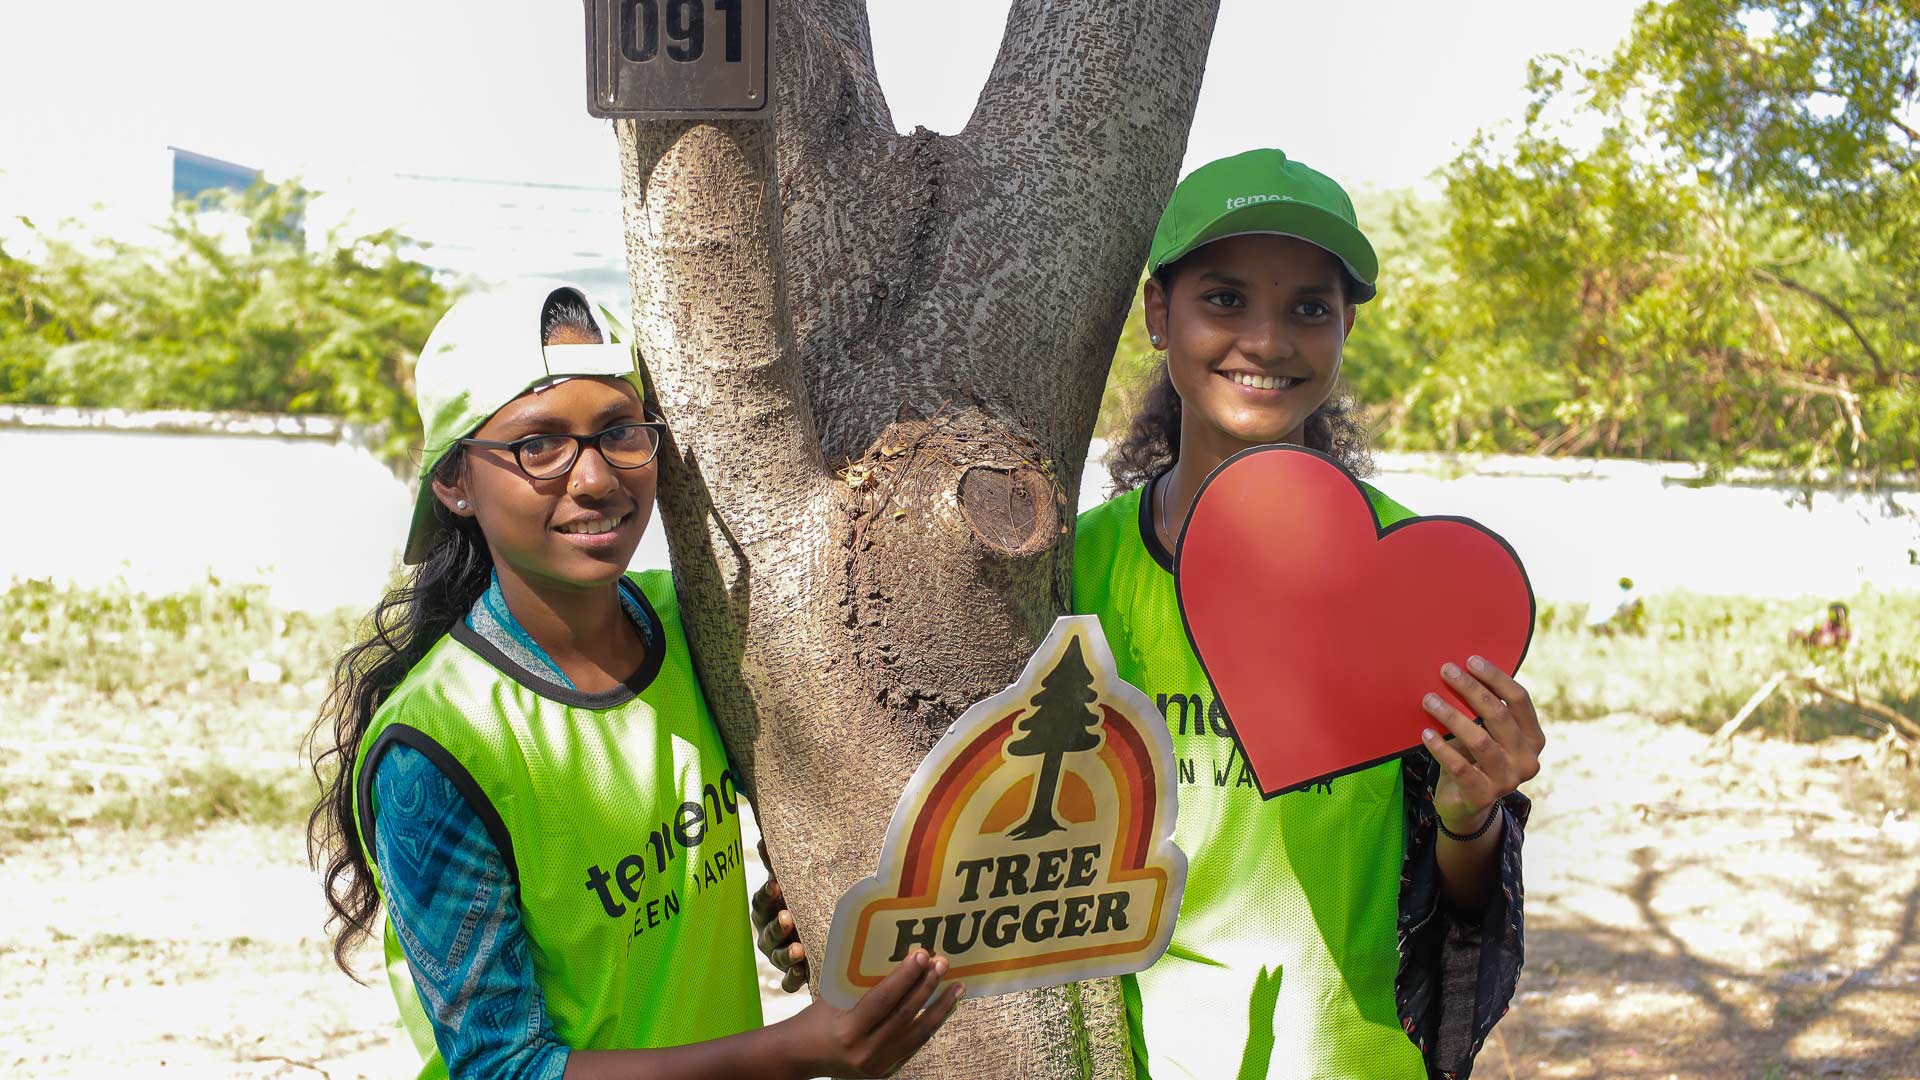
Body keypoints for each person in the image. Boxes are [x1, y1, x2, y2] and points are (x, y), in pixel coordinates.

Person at [307, 279, 959, 1080]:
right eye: (537, 444)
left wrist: (804, 902)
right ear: (455, 483)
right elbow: (505, 1067)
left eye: (620, 431)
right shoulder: (437, 747)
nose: (594, 479)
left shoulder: (697, 629)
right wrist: (793, 1051)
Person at [1077, 148, 1544, 1079]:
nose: (1268, 340)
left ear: (1345, 331)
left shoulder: (1427, 578)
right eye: (1224, 298)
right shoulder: (1073, 573)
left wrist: (1471, 811)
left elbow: (1457, 904)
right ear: (1157, 315)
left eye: (1308, 309)